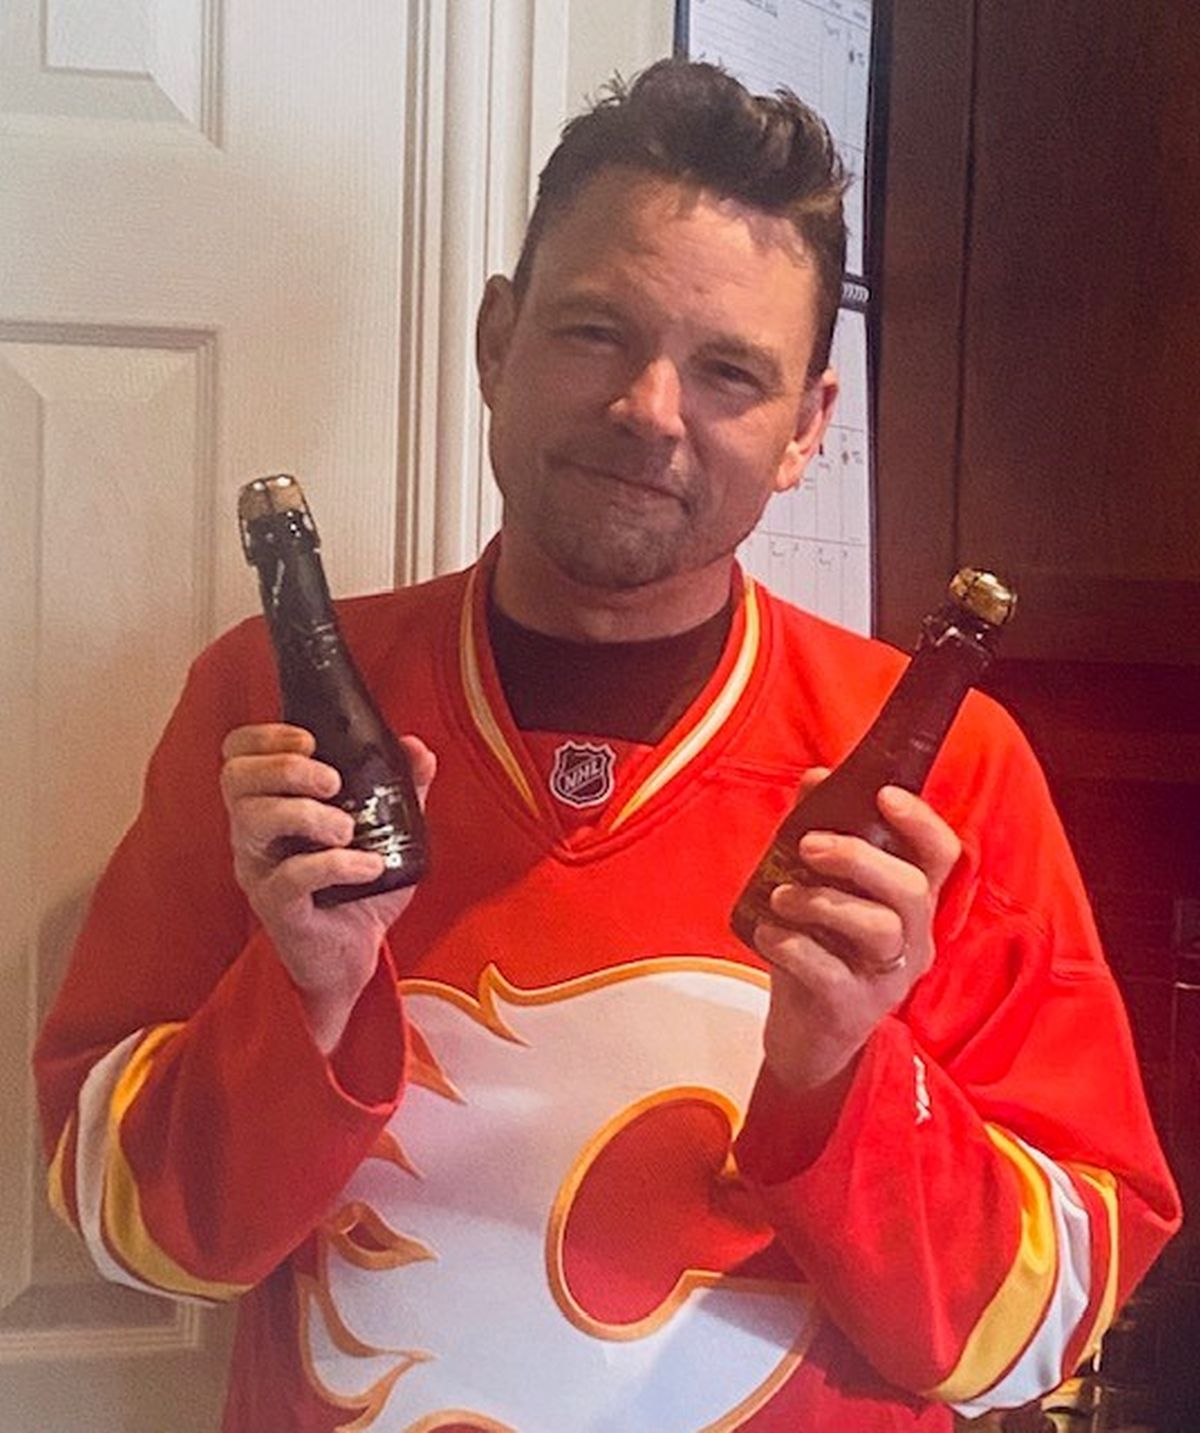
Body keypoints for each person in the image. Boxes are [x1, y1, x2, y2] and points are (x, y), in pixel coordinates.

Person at [35, 59, 1179, 1433]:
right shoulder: (268, 710)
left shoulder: (952, 778)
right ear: (495, 340)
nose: (650, 408)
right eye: (594, 332)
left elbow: (1034, 1341)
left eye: (730, 372)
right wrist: (307, 999)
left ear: (809, 428)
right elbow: (137, 1231)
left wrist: (842, 1080)